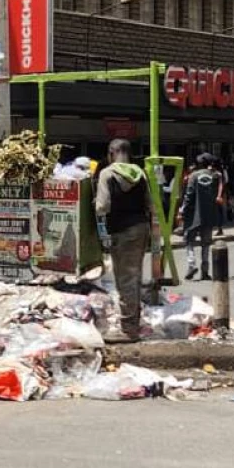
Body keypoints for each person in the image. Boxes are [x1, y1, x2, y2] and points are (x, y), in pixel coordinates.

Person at [95, 139, 152, 342]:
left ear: (111, 153)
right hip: (141, 228)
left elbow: (102, 206)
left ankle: (129, 330)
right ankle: (133, 322)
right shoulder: (140, 173)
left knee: (125, 279)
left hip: (121, 230)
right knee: (134, 276)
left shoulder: (107, 174)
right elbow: (150, 204)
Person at [180, 153, 222, 281]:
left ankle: (191, 264)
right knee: (206, 243)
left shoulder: (193, 176)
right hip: (209, 215)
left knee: (189, 240)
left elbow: (189, 195)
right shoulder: (215, 176)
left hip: (194, 215)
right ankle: (205, 271)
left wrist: (183, 210)